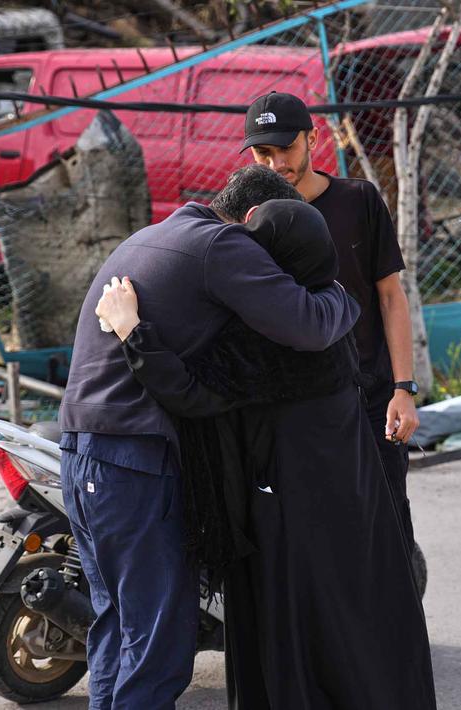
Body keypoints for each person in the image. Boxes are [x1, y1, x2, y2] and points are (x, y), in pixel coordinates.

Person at [94, 199, 436, 710]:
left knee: (295, 636)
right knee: (356, 627)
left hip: (289, 516)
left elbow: (191, 393)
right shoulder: (330, 312)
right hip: (353, 506)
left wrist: (133, 333)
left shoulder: (272, 339)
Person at [58, 164, 361, 710]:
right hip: (135, 460)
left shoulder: (155, 233)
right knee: (158, 643)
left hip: (81, 452)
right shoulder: (224, 244)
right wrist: (346, 296)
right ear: (253, 217)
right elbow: (310, 326)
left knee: (118, 628)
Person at [240, 91, 423, 568]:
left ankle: (398, 636)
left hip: (370, 397)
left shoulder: (358, 200)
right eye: (264, 153)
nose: (277, 162)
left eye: (287, 148)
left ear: (313, 139)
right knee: (315, 534)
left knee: (387, 525)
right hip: (297, 406)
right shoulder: (251, 219)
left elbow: (389, 296)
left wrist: (403, 389)